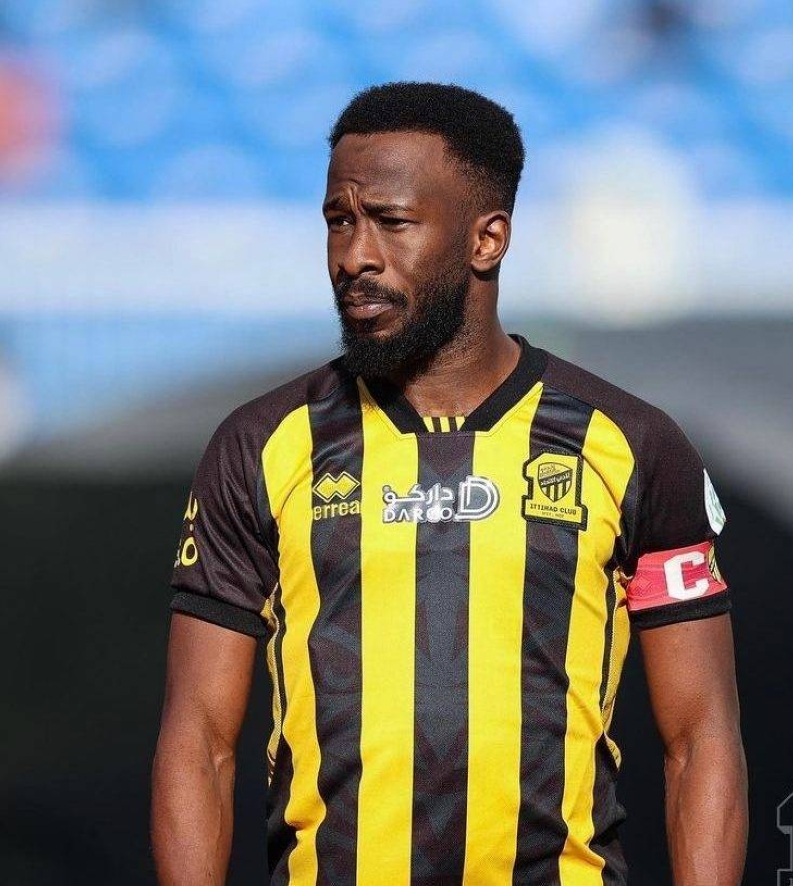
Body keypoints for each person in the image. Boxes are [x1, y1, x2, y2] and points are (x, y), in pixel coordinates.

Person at [151, 81, 748, 886]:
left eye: (391, 222)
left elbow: (701, 738)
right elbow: (199, 739)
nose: (354, 256)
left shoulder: (632, 446)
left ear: (487, 240)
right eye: (339, 221)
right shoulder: (260, 446)